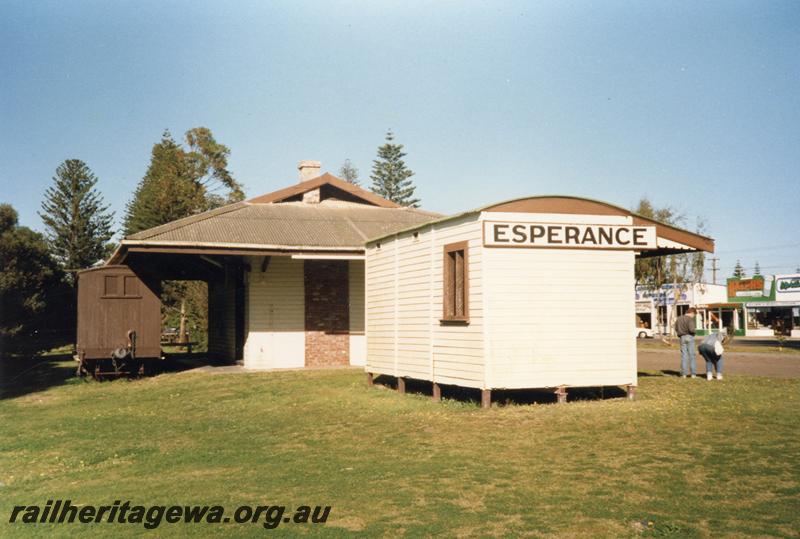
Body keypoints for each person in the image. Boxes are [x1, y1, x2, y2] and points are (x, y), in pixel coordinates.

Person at [675, 307, 698, 378]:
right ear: (692, 313)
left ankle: (684, 374)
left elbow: (676, 328)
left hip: (682, 337)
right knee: (692, 356)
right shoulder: (690, 319)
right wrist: (695, 331)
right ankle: (693, 374)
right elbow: (692, 330)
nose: (693, 316)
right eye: (694, 315)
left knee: (684, 356)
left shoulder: (679, 318)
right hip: (689, 337)